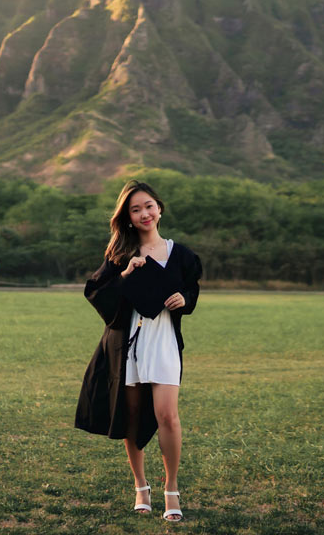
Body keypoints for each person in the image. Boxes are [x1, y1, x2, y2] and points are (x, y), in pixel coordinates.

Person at [75, 180, 202, 522]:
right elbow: (96, 293)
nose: (144, 213)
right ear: (128, 218)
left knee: (167, 417)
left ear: (159, 208)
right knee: (131, 417)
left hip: (163, 341)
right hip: (129, 343)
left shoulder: (182, 255)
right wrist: (125, 275)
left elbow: (192, 290)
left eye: (148, 205)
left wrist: (185, 300)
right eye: (135, 209)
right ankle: (140, 486)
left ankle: (171, 490)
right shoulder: (120, 256)